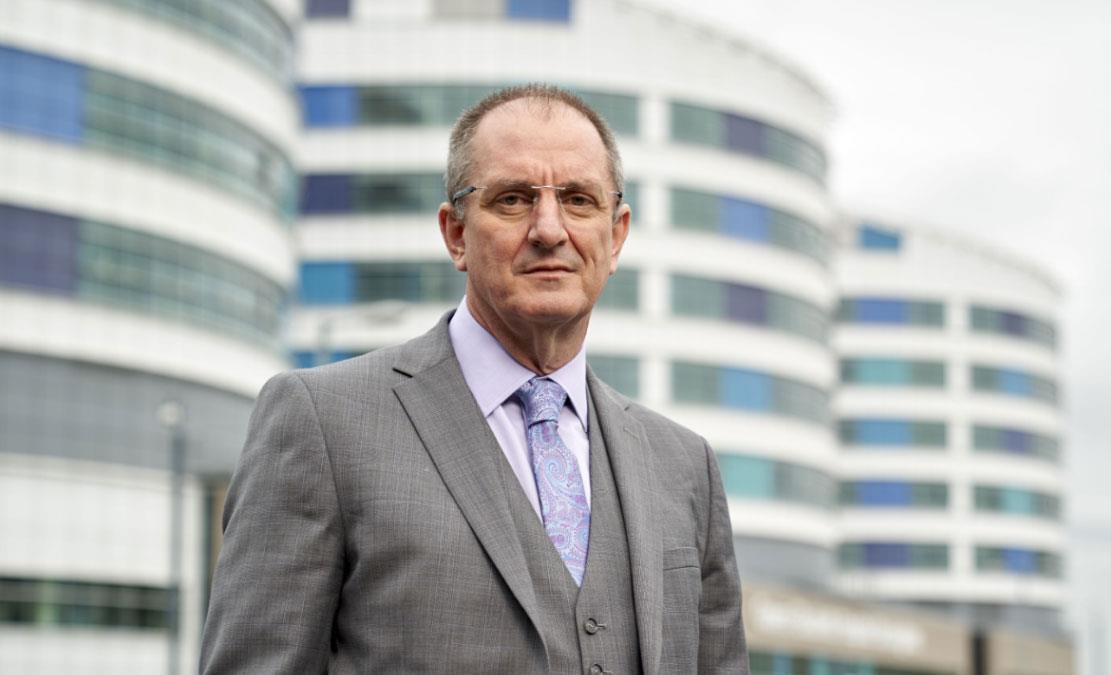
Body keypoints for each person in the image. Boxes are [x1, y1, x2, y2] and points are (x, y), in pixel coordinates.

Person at [200, 84, 748, 674]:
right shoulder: (322, 423)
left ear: (615, 237)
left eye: (579, 200)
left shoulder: (684, 465)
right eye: (512, 200)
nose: (548, 229)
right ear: (456, 233)